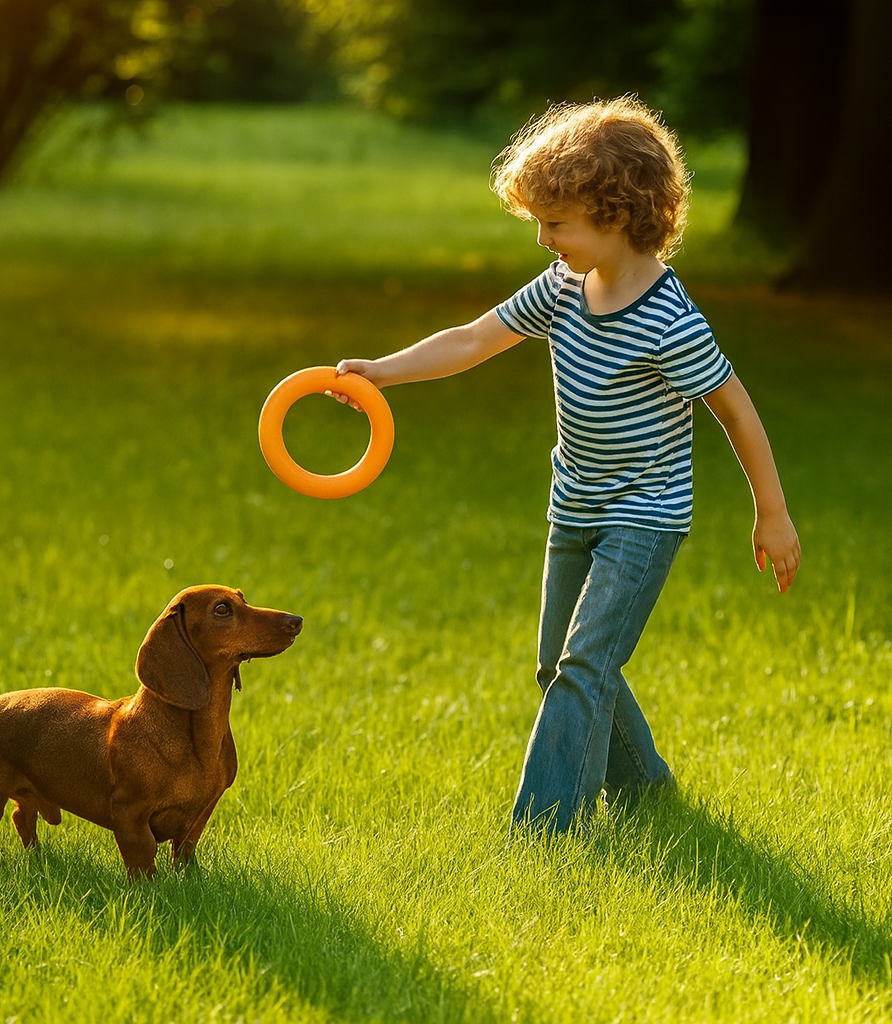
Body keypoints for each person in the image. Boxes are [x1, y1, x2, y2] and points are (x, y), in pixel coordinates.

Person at [331, 96, 801, 834]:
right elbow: (473, 339)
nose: (543, 239)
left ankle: (545, 831)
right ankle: (646, 791)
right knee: (559, 664)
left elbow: (736, 410)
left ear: (618, 214)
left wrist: (771, 513)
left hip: (644, 516)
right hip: (574, 503)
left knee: (584, 664)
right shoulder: (562, 288)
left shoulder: (668, 320)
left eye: (556, 223)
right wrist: (381, 372)